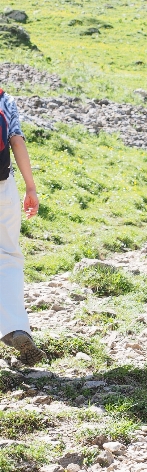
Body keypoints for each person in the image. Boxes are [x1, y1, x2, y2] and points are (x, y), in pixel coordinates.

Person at [0, 89, 46, 366]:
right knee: (8, 256)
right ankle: (16, 327)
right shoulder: (4, 98)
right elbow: (16, 141)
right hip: (3, 187)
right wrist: (30, 187)